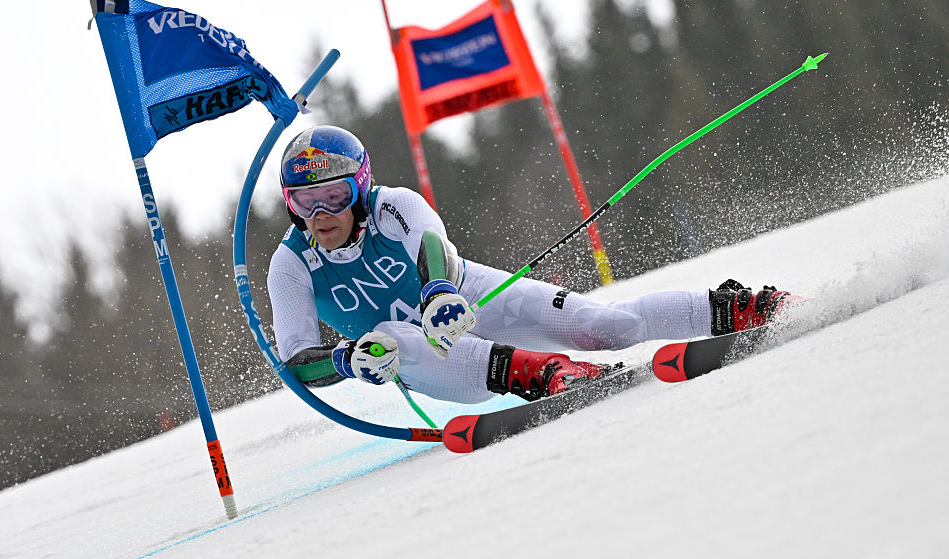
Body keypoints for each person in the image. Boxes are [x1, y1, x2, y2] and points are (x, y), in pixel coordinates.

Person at [267, 125, 799, 404]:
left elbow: (431, 245)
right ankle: (544, 375)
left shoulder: (393, 205)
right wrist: (344, 363)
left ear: (359, 188)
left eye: (333, 196)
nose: (319, 215)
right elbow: (296, 361)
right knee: (387, 335)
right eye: (302, 203)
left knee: (607, 326)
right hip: (420, 358)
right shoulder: (290, 264)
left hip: (464, 297)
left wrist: (437, 293)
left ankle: (743, 308)